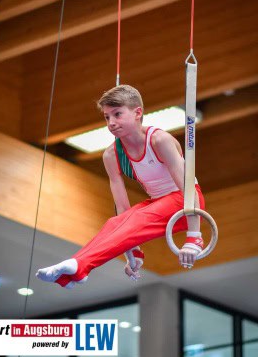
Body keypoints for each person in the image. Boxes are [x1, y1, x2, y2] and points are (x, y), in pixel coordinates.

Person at [36, 85, 205, 289]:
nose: (111, 123)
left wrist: (194, 237)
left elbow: (187, 189)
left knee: (139, 217)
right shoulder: (111, 155)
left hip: (187, 202)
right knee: (114, 223)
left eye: (117, 114)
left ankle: (79, 266)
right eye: (107, 117)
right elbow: (123, 209)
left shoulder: (159, 140)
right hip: (158, 203)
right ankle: (76, 272)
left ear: (137, 113)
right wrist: (132, 252)